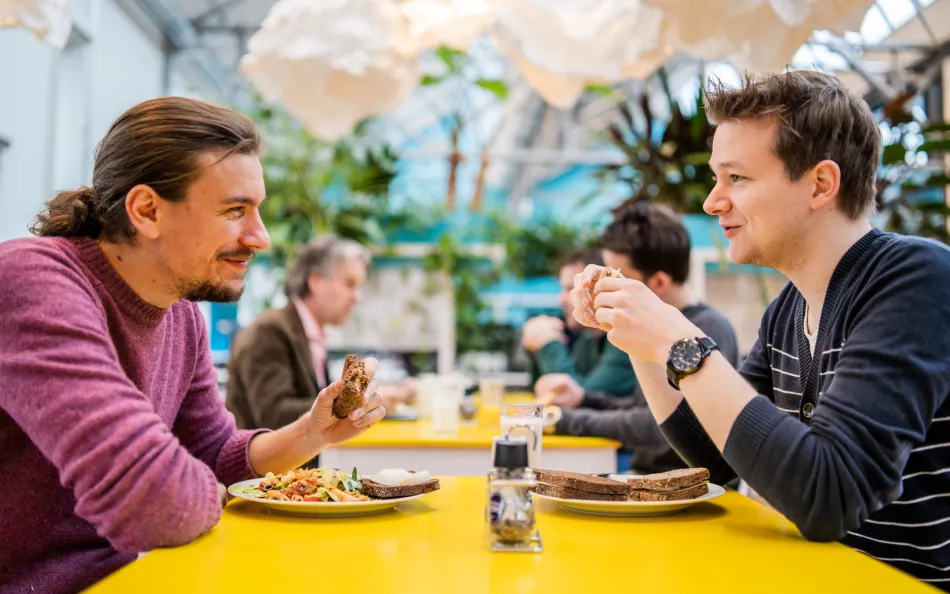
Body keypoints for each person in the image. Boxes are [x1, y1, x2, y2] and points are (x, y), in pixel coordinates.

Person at [571, 70, 950, 589]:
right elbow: (721, 456)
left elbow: (829, 497)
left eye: (737, 178)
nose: (712, 201)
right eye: (714, 177)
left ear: (820, 184)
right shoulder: (789, 309)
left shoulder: (918, 280)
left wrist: (679, 344)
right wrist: (635, 332)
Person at [0, 97, 385, 594]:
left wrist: (311, 433)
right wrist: (188, 487)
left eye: (258, 210)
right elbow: (155, 502)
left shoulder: (181, 314)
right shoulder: (31, 280)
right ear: (146, 210)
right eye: (234, 210)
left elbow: (213, 452)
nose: (260, 237)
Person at [539, 202, 739, 474]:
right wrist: (584, 398)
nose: (604, 287)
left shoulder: (705, 329)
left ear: (658, 282)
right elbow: (642, 407)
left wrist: (562, 420)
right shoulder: (651, 327)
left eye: (616, 277)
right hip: (644, 478)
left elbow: (658, 423)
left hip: (680, 487)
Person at [524, 248, 638, 396]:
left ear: (600, 287)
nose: (561, 299)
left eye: (571, 289)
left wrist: (549, 344)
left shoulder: (625, 345)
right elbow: (545, 397)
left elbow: (579, 400)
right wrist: (536, 347)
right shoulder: (588, 339)